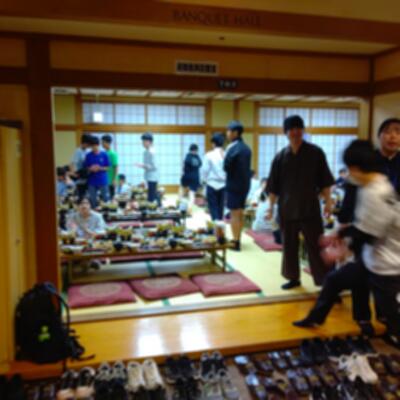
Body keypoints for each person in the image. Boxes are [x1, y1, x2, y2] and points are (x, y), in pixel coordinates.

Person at [295, 119, 400, 335]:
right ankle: (315, 318)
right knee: (334, 280)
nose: (348, 174)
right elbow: (361, 224)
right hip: (373, 258)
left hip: (387, 266)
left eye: (351, 169)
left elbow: (369, 233)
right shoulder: (371, 183)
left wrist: (342, 248)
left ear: (359, 168)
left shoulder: (377, 192)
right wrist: (339, 233)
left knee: (391, 314)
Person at [267, 115, 334, 289]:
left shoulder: (315, 152)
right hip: (287, 208)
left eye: (299, 128)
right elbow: (273, 187)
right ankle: (293, 278)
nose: (295, 132)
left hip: (309, 208)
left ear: (303, 131)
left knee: (317, 246)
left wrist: (328, 202)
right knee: (289, 245)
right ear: (286, 132)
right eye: (291, 129)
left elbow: (325, 181)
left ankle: (325, 282)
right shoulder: (280, 157)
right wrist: (270, 207)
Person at [224, 121, 252, 251]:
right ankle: (238, 238)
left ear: (235, 133)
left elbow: (226, 167)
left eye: (229, 130)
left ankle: (235, 242)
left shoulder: (232, 147)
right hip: (245, 184)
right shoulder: (246, 148)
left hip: (233, 184)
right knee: (240, 213)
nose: (227, 133)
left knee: (234, 214)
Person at [202, 133, 226, 221]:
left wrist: (203, 181)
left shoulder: (209, 155)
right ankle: (220, 225)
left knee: (213, 207)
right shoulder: (226, 154)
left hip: (211, 184)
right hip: (223, 185)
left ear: (213, 143)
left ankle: (215, 224)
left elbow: (205, 170)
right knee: (221, 207)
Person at [84, 136, 110, 208]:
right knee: (92, 200)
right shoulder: (88, 155)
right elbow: (86, 167)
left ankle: (106, 213)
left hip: (102, 180)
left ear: (98, 145)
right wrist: (90, 169)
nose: (93, 148)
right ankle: (93, 211)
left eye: (95, 146)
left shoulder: (104, 154)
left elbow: (108, 168)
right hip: (92, 181)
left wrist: (100, 168)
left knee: (105, 199)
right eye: (92, 146)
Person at [136, 133, 159, 204]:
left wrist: (143, 165)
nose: (142, 143)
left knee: (151, 198)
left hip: (152, 177)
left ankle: (156, 207)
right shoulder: (145, 152)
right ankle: (158, 206)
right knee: (151, 195)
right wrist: (143, 166)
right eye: (142, 141)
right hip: (148, 176)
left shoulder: (152, 152)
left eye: (144, 141)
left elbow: (154, 166)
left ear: (149, 142)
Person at [70, 134, 92, 200]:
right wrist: (74, 173)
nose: (89, 146)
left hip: (88, 177)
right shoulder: (78, 151)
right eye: (88, 144)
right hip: (81, 178)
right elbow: (72, 163)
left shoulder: (88, 151)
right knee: (81, 197)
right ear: (84, 143)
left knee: (89, 197)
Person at [101, 134, 118, 199]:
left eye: (103, 142)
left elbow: (116, 167)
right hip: (104, 179)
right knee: (104, 198)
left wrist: (114, 179)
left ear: (108, 143)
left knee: (111, 198)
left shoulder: (113, 154)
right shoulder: (103, 153)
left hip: (111, 180)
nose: (102, 144)